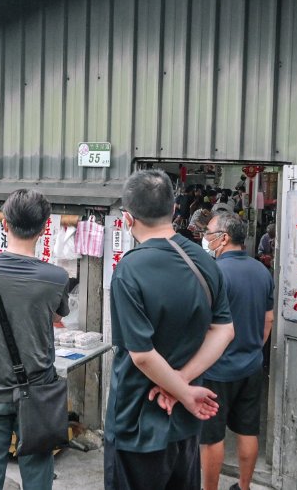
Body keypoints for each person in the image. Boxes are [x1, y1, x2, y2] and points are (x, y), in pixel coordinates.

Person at [104, 170, 234, 490]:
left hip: (136, 422)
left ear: (127, 218)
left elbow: (142, 355)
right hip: (184, 423)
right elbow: (224, 330)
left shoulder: (129, 270)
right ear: (174, 210)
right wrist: (183, 384)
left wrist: (182, 391)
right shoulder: (203, 261)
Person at [0, 189, 69, 490]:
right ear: (45, 227)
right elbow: (57, 318)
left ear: (4, 225)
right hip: (38, 394)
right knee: (37, 477)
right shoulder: (56, 277)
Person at [199, 212, 275, 490]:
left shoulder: (213, 272)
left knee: (211, 437)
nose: (205, 238)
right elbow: (268, 318)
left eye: (208, 233)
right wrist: (254, 348)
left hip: (216, 370)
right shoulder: (261, 271)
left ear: (224, 238)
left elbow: (203, 324)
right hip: (251, 366)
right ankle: (243, 487)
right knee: (247, 430)